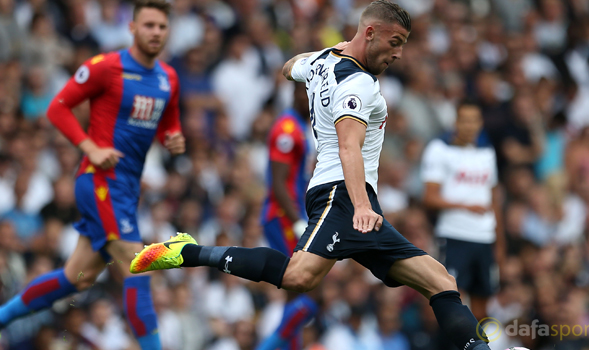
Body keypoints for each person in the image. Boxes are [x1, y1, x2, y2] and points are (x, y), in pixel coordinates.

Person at [131, 2, 492, 349]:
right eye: (394, 42)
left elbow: (289, 66)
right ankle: (188, 251)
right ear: (369, 32)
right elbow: (349, 146)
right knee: (297, 277)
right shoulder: (360, 84)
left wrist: (325, 53)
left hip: (350, 196)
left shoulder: (320, 61)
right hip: (345, 195)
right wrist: (362, 207)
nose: (398, 54)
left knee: (440, 281)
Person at [0, 1, 185, 349]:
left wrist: (171, 138)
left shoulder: (168, 78)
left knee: (76, 278)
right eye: (148, 25)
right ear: (132, 28)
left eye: (161, 26)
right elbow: (58, 108)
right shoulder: (106, 67)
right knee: (138, 264)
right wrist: (90, 148)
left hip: (127, 191)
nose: (155, 32)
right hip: (98, 182)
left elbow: (168, 125)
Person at [421, 100, 505, 322]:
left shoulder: (487, 152)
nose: (469, 126)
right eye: (464, 120)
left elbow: (494, 198)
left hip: (485, 237)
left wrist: (500, 240)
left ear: (480, 123)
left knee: (483, 302)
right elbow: (429, 197)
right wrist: (466, 207)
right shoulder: (439, 150)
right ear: (456, 122)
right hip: (454, 234)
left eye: (474, 120)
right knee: (451, 300)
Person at [256, 82, 318, 350]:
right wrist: (297, 221)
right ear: (295, 94)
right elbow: (278, 184)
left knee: (296, 293)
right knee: (308, 288)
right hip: (281, 215)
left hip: (290, 214)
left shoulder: (301, 127)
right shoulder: (287, 129)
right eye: (309, 95)